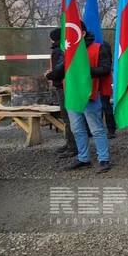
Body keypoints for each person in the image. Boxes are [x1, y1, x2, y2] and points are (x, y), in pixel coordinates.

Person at [63, 22, 113, 173]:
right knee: (77, 129)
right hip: (72, 95)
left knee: (96, 128)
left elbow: (105, 69)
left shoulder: (99, 48)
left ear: (82, 32)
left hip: (90, 94)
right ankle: (83, 158)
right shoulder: (68, 49)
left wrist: (84, 70)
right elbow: (62, 67)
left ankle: (103, 159)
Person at [45, 28, 78, 158]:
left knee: (67, 117)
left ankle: (72, 146)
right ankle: (69, 142)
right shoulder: (61, 49)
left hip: (63, 86)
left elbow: (60, 68)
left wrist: (50, 75)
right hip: (62, 85)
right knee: (66, 117)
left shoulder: (58, 50)